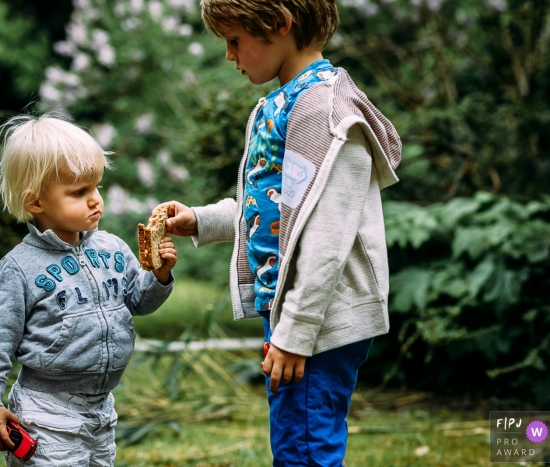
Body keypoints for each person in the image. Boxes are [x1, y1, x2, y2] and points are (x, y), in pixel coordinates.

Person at [159, 0, 401, 465]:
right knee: (295, 436)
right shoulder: (288, 101)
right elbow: (277, 210)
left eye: (235, 40)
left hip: (316, 316)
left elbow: (326, 239)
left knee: (304, 447)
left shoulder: (326, 114)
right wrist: (201, 219)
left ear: (278, 24)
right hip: (294, 311)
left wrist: (296, 334)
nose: (230, 55)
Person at [0, 114, 177, 466]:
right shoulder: (20, 268)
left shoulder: (111, 248)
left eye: (96, 187)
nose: (95, 200)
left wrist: (158, 277)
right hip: (45, 412)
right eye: (79, 192)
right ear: (35, 203)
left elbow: (137, 302)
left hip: (100, 408)